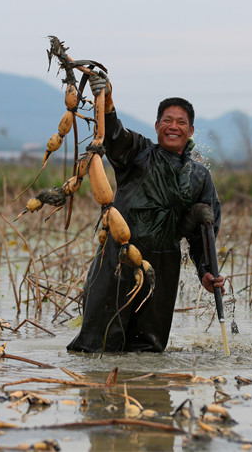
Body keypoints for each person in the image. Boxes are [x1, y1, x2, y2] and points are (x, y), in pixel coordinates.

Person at [66, 72, 224, 353]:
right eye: (167, 121)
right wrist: (108, 102)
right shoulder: (137, 152)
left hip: (163, 266)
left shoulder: (200, 177)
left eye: (181, 123)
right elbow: (113, 135)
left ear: (191, 131)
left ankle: (146, 396)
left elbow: (203, 236)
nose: (173, 127)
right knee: (96, 345)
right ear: (156, 126)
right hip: (119, 257)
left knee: (147, 349)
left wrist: (206, 273)